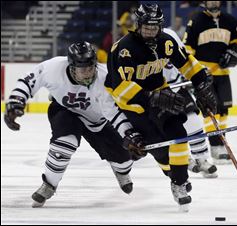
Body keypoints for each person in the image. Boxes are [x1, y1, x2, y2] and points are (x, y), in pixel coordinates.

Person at [3, 41, 144, 208]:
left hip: (96, 122)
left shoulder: (105, 78)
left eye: (90, 67)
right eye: (82, 69)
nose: (87, 73)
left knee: (124, 158)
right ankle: (49, 184)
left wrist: (130, 135)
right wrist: (16, 101)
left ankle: (121, 170)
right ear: (71, 66)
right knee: (65, 143)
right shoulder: (53, 68)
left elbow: (113, 113)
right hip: (65, 111)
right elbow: (28, 81)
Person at [105, 4, 217, 211]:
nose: (150, 31)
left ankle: (179, 183)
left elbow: (188, 63)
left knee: (179, 135)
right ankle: (174, 171)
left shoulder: (166, 41)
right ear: (138, 25)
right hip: (134, 104)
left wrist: (202, 84)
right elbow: (118, 86)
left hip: (162, 95)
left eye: (154, 26)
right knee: (160, 148)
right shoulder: (124, 48)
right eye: (146, 26)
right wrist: (150, 97)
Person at [183, 1, 237, 164]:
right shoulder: (195, 21)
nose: (213, 2)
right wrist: (196, 70)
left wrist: (235, 52)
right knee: (211, 110)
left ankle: (221, 144)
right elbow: (187, 48)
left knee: (223, 110)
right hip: (204, 76)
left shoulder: (230, 20)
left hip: (223, 73)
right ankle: (215, 147)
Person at [162, 28, 217, 178]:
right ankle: (182, 159)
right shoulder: (137, 44)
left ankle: (202, 158)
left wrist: (198, 74)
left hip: (177, 87)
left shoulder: (170, 34)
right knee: (168, 130)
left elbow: (184, 57)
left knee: (193, 121)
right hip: (157, 93)